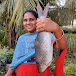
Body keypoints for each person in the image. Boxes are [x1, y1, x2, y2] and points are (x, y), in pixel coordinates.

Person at [5, 9, 67, 76]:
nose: (28, 23)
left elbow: (62, 47)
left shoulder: (47, 35)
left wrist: (56, 29)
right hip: (23, 72)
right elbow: (15, 61)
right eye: (25, 20)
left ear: (37, 20)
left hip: (42, 71)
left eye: (31, 19)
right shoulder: (22, 38)